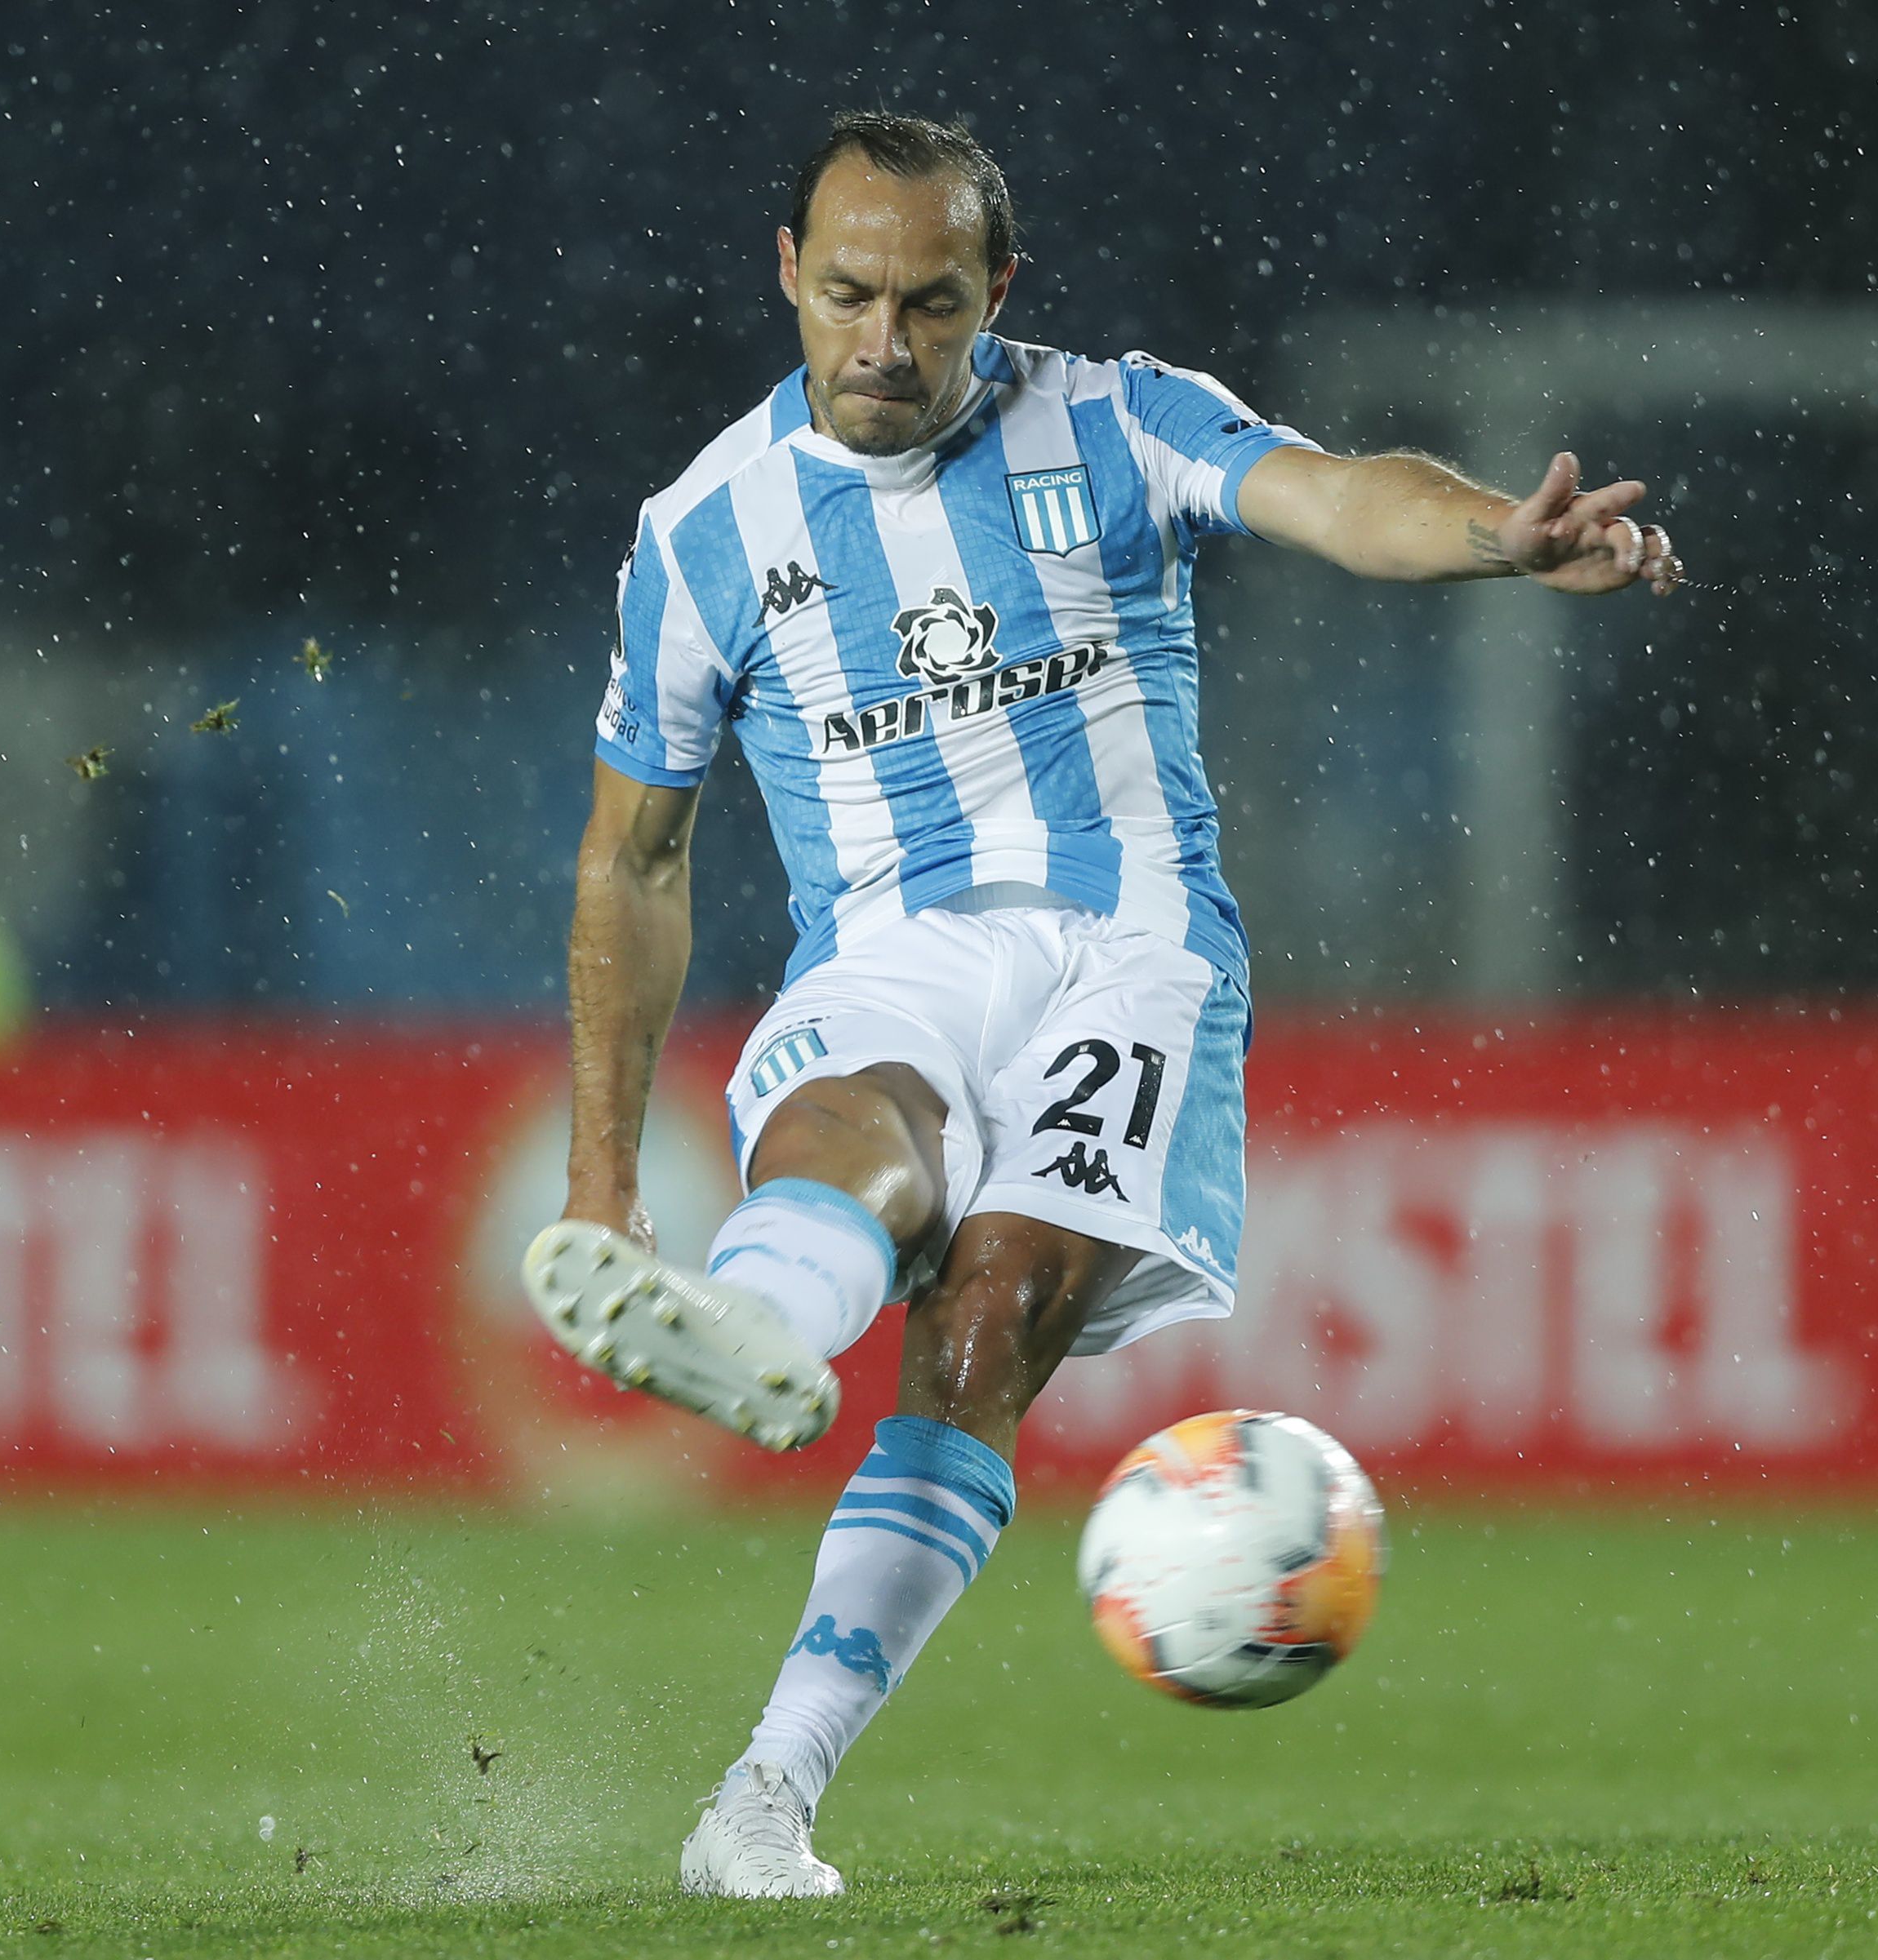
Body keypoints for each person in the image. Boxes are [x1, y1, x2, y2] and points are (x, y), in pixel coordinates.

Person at [524, 109, 1679, 1901]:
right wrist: (601, 1177)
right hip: (890, 948)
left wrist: (1494, 540)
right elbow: (631, 861)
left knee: (986, 1332)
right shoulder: (700, 536)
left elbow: (1332, 491)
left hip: (1130, 959)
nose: (883, 345)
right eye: (845, 296)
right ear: (784, 274)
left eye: (929, 303)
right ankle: (734, 1312)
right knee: (862, 1135)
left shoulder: (1115, 416)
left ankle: (761, 1792)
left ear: (1001, 290)